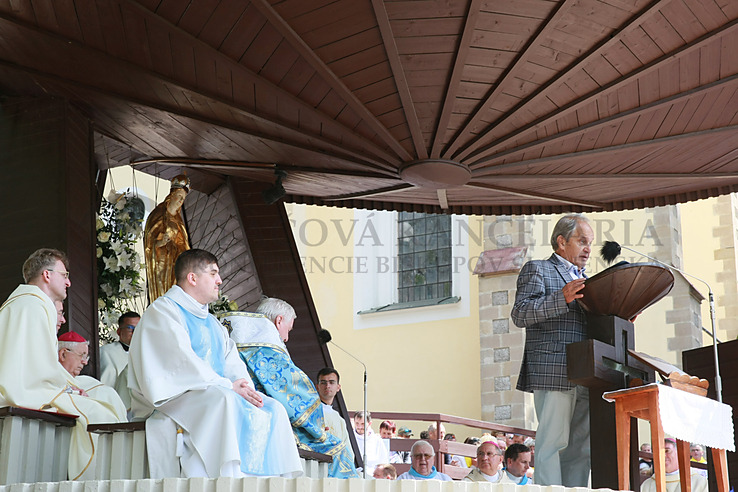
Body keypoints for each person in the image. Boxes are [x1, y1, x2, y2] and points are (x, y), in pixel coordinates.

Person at [128, 249, 302, 478]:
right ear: (192, 278)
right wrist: (228, 386)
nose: (219, 280)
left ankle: (273, 482)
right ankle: (227, 478)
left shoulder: (212, 322)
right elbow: (181, 361)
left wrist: (243, 386)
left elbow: (231, 361)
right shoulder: (164, 310)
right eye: (213, 273)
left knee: (273, 408)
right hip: (175, 396)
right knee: (225, 399)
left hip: (213, 390)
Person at [0, 248, 123, 480]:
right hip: (23, 392)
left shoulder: (24, 302)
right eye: (64, 275)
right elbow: (35, 369)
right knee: (100, 413)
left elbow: (36, 360)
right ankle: (95, 481)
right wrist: (66, 388)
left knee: (102, 394)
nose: (68, 282)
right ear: (47, 275)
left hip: (24, 386)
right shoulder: (34, 305)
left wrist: (68, 385)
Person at [223, 300, 358, 478]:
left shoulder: (234, 336)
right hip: (265, 416)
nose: (286, 338)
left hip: (237, 410)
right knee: (338, 450)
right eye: (289, 329)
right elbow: (294, 395)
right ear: (279, 321)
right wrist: (316, 424)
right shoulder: (267, 347)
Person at [511, 213, 594, 487]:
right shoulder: (538, 269)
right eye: (582, 241)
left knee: (581, 449)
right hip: (554, 371)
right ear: (561, 241)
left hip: (587, 373)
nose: (588, 249)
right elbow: (520, 313)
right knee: (553, 443)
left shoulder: (590, 281)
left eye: (590, 243)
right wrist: (562, 297)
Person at [57, 328, 127, 420]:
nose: (85, 362)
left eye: (86, 357)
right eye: (82, 355)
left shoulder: (89, 382)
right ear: (63, 354)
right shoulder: (50, 376)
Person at [144, 174, 191, 302]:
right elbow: (150, 240)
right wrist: (161, 241)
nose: (181, 200)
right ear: (172, 195)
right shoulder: (159, 214)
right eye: (179, 196)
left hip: (177, 262)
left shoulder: (178, 220)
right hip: (162, 262)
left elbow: (183, 243)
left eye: (183, 198)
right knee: (165, 291)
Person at [99, 311, 139, 413]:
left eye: (139, 328)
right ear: (119, 331)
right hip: (119, 407)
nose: (135, 332)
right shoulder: (106, 352)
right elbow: (106, 383)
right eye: (130, 328)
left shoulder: (147, 353)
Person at [641, 439, 708, 492]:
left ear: (678, 453)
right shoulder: (647, 485)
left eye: (667, 451)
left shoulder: (699, 482)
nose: (663, 455)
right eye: (659, 452)